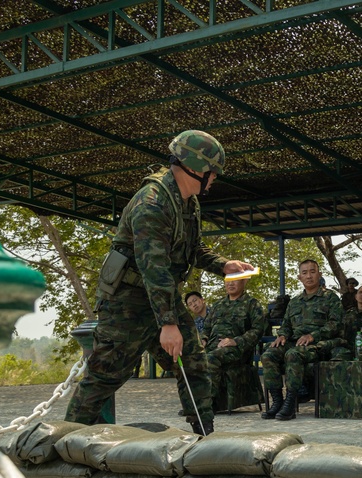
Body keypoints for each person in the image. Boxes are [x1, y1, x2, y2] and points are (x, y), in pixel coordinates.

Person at [65, 130, 251, 436]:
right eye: (213, 172)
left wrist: (224, 265)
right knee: (105, 376)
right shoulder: (151, 203)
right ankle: (62, 440)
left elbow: (191, 248)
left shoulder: (188, 202)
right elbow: (154, 267)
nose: (215, 178)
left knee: (194, 364)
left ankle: (204, 436)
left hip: (162, 296)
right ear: (196, 167)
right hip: (127, 301)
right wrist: (168, 323)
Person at [261, 259, 344, 420]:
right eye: (304, 273)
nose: (309, 276)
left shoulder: (330, 298)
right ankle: (277, 401)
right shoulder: (294, 302)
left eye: (312, 272)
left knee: (293, 354)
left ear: (319, 274)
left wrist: (313, 335)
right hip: (295, 342)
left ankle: (291, 403)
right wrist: (282, 336)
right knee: (268, 354)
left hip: (319, 343)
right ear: (299, 277)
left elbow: (335, 325)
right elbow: (286, 325)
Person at [205, 276, 266, 411]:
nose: (231, 283)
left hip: (238, 350)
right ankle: (193, 402)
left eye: (235, 280)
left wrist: (236, 341)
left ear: (244, 281)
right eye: (228, 280)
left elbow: (258, 330)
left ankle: (207, 404)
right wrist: (202, 340)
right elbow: (206, 328)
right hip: (213, 345)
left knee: (211, 358)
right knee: (192, 358)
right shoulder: (217, 305)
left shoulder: (252, 304)